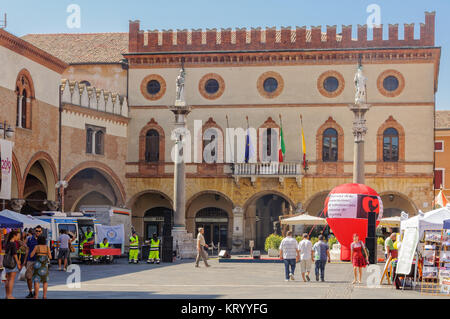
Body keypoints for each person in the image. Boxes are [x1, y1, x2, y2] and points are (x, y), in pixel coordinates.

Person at [30, 235, 51, 299]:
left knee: (36, 281)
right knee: (45, 281)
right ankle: (44, 296)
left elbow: (31, 255)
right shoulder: (47, 247)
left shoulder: (37, 247)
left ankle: (36, 296)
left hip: (37, 265)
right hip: (44, 266)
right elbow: (50, 257)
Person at [24, 226, 42, 298]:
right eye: (36, 231)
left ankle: (35, 292)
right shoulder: (30, 239)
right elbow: (27, 249)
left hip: (38, 260)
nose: (38, 232)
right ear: (34, 231)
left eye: (39, 231)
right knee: (29, 277)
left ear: (41, 232)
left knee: (36, 278)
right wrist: (25, 261)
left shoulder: (42, 239)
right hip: (30, 260)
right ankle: (30, 292)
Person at [3, 230, 22, 299]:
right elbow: (14, 254)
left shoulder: (7, 243)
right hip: (12, 263)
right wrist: (18, 263)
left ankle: (7, 295)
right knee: (11, 279)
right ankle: (10, 295)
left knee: (7, 279)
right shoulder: (13, 243)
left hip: (7, 263)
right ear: (14, 235)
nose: (19, 237)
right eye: (18, 235)